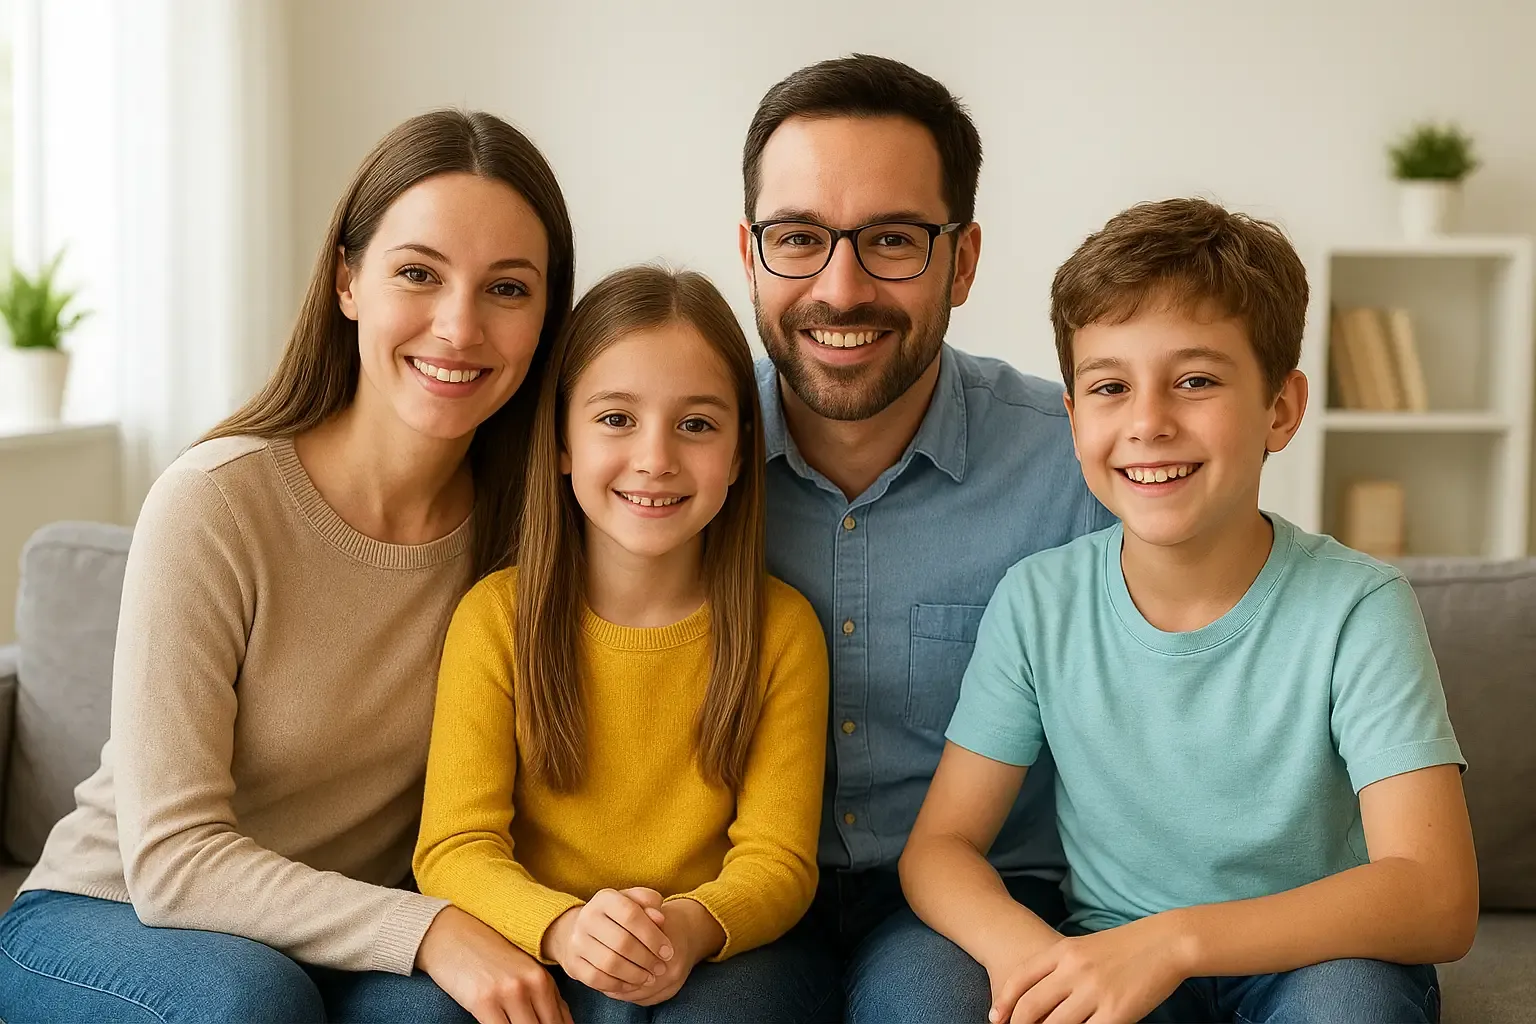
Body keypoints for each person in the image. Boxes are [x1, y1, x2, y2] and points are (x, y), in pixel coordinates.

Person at [0, 109, 578, 1024]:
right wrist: (430, 932)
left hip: (343, 940)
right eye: (418, 274)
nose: (459, 326)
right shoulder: (217, 502)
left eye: (508, 289)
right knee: (247, 1002)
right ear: (348, 280)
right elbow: (174, 859)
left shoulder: (534, 534)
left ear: (547, 318)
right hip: (112, 917)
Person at [901, 197, 1478, 1024]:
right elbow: (939, 850)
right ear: (1072, 418)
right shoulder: (1039, 602)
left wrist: (1174, 943)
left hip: (1317, 960)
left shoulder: (1360, 608)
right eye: (1109, 386)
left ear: (1280, 408)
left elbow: (1436, 895)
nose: (1147, 422)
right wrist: (1037, 961)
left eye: (1196, 380)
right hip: (1106, 952)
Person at [737, 54, 1114, 1021]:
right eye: (798, 238)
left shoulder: (1080, 465)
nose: (843, 287)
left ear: (965, 259)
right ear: (749, 254)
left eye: (894, 240)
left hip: (985, 899)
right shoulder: (670, 454)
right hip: (733, 895)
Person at [413, 265, 832, 1024]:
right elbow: (455, 846)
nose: (656, 458)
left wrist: (689, 927)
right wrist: (564, 929)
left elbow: (779, 861)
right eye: (615, 419)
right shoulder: (496, 617)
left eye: (697, 424)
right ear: (563, 441)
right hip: (537, 934)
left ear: (741, 454)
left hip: (701, 951)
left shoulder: (781, 629)